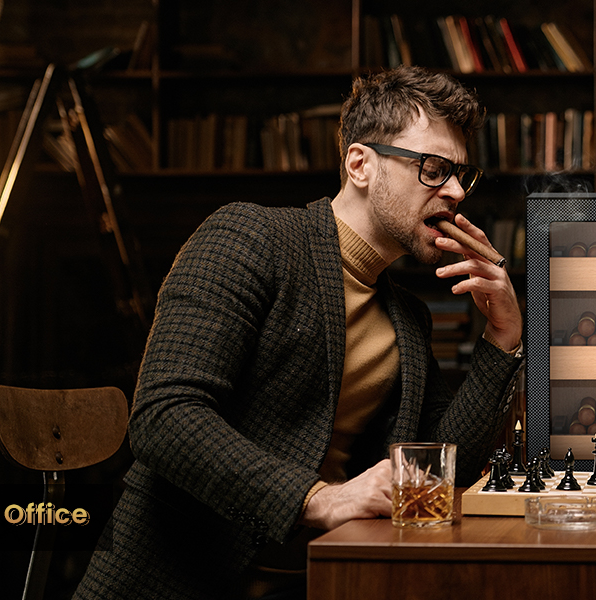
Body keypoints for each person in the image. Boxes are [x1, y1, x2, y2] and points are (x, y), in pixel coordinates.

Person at [76, 67, 523, 599]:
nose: (454, 191)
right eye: (433, 168)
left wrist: (502, 336)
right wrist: (320, 499)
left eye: (461, 175)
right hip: (181, 581)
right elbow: (164, 417)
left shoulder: (407, 315)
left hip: (325, 580)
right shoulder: (251, 237)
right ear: (360, 164)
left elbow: (438, 469)